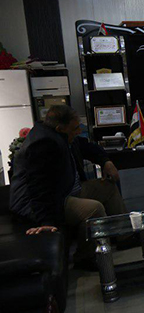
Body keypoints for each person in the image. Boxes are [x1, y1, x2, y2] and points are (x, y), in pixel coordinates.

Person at [9, 105, 127, 270]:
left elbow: (86, 146)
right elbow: (38, 187)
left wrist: (106, 161)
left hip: (65, 189)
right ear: (60, 128)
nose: (79, 131)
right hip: (41, 202)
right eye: (75, 128)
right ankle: (85, 257)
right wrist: (46, 221)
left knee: (108, 187)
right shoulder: (44, 144)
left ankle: (124, 236)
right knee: (94, 209)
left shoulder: (61, 135)